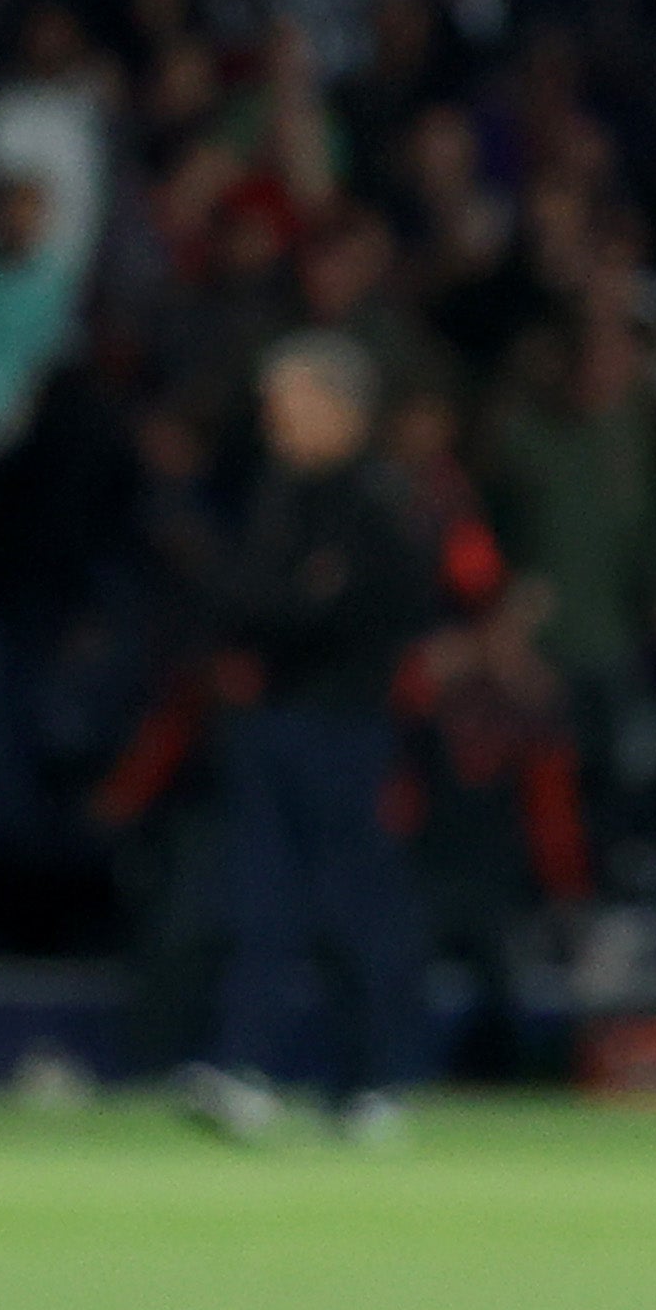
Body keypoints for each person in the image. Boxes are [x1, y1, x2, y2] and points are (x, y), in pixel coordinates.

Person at [181, 332, 445, 1142]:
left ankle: (371, 1082)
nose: (273, 424)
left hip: (346, 727)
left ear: (340, 412)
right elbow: (246, 602)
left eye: (288, 407)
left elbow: (367, 610)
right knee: (258, 902)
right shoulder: (280, 493)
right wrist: (295, 602)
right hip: (275, 721)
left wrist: (292, 606)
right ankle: (247, 1069)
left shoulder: (378, 503)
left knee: (351, 907)